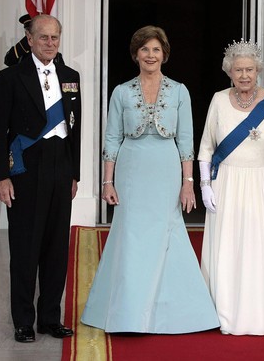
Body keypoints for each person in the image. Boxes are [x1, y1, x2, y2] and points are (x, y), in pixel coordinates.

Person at [81, 25, 219, 334]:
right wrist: (108, 182)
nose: (150, 55)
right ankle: (127, 314)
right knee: (130, 236)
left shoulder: (180, 91)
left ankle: (176, 313)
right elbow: (112, 139)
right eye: (145, 49)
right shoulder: (121, 91)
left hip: (166, 169)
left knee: (166, 235)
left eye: (156, 49)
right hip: (132, 170)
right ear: (135, 54)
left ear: (165, 54)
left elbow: (186, 140)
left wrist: (188, 182)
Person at [0, 14, 81, 342]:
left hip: (60, 171)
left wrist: (75, 174)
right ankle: (24, 320)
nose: (51, 44)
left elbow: (74, 129)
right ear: (29, 39)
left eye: (55, 37)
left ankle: (50, 319)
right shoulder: (10, 78)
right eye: (44, 38)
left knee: (57, 249)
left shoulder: (71, 76)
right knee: (26, 250)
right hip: (25, 172)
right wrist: (1, 176)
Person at [198, 39, 264, 337]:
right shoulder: (217, 99)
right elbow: (206, 145)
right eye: (238, 70)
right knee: (229, 246)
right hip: (226, 182)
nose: (244, 76)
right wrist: (204, 185)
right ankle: (224, 309)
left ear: (258, 70)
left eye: (250, 69)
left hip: (263, 183)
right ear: (229, 72)